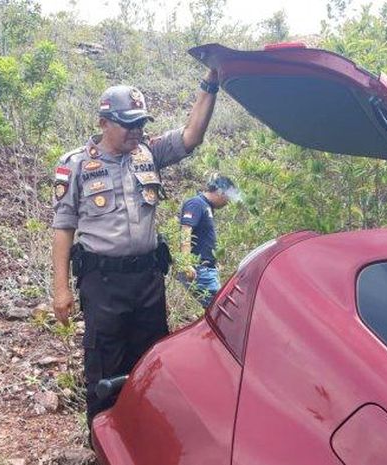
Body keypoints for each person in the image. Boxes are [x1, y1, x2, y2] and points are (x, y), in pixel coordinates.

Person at [51, 69, 219, 429]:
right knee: (106, 363)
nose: (137, 131)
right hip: (104, 282)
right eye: (128, 124)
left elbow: (192, 136)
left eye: (141, 123)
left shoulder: (148, 154)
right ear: (103, 122)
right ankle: (105, 437)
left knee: (151, 359)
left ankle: (147, 433)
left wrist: (210, 85)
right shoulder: (76, 164)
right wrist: (61, 289)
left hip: (147, 279)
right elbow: (63, 228)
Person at [179, 175, 239, 308]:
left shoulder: (207, 207)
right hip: (199, 271)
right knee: (218, 311)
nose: (227, 202)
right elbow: (186, 231)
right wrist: (186, 263)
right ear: (220, 192)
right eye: (227, 198)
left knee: (218, 310)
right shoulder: (196, 203)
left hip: (207, 270)